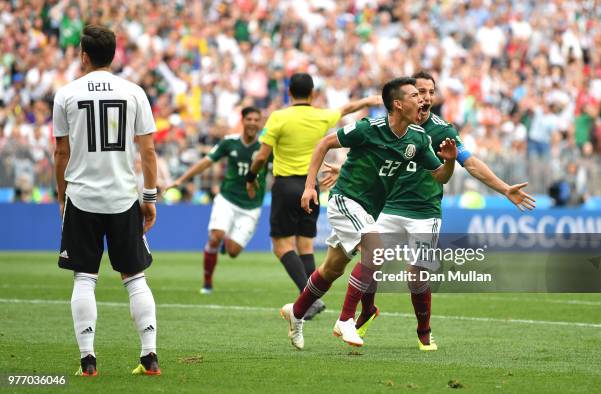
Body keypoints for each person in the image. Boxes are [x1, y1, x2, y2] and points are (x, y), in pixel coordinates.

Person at [324, 71, 535, 350]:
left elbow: (470, 163)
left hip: (425, 212)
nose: (425, 97)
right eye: (420, 92)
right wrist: (347, 170)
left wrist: (505, 188)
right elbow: (373, 155)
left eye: (430, 92)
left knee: (416, 275)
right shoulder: (390, 125)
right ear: (406, 97)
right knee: (370, 260)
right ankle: (365, 311)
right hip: (388, 206)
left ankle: (424, 330)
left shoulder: (442, 131)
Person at [279, 77, 458, 349]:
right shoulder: (368, 128)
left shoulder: (418, 138)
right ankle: (345, 319)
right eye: (414, 95)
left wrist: (451, 160)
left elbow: (440, 177)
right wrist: (308, 187)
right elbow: (323, 144)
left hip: (368, 210)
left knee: (332, 268)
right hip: (346, 200)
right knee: (375, 251)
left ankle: (296, 312)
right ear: (398, 104)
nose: (421, 99)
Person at [53, 25, 160, 376]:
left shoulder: (66, 94)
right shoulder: (134, 92)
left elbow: (61, 152)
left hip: (82, 197)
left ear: (84, 55)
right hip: (122, 196)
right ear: (113, 55)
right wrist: (149, 197)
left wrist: (61, 199)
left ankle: (88, 361)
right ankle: (149, 357)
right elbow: (148, 150)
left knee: (84, 278)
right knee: (135, 278)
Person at [246, 73, 381, 320]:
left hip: (285, 185)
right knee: (305, 245)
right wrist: (369, 100)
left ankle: (308, 299)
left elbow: (262, 155)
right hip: (312, 186)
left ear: (289, 93)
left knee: (281, 245)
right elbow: (346, 108)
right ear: (312, 94)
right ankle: (312, 298)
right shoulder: (321, 115)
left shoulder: (279, 117)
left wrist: (251, 176)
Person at [168, 106, 269, 293]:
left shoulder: (266, 147)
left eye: (257, 120)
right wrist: (182, 179)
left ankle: (226, 240)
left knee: (233, 251)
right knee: (215, 237)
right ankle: (207, 282)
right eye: (249, 119)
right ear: (243, 121)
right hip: (227, 199)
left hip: (251, 206)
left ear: (260, 123)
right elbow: (206, 161)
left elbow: (279, 171)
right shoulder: (229, 143)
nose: (253, 123)